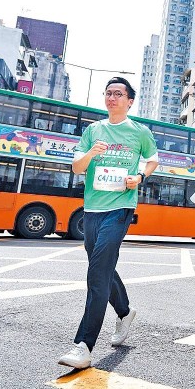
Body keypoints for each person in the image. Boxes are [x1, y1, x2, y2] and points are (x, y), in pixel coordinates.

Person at [58, 77, 159, 369]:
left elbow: (153, 160)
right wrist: (92, 153)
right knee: (101, 267)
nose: (112, 98)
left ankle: (83, 345)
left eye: (118, 94)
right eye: (108, 93)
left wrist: (139, 177)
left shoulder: (139, 132)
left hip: (120, 208)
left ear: (130, 101)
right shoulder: (93, 130)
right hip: (92, 209)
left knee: (97, 274)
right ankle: (125, 311)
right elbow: (77, 168)